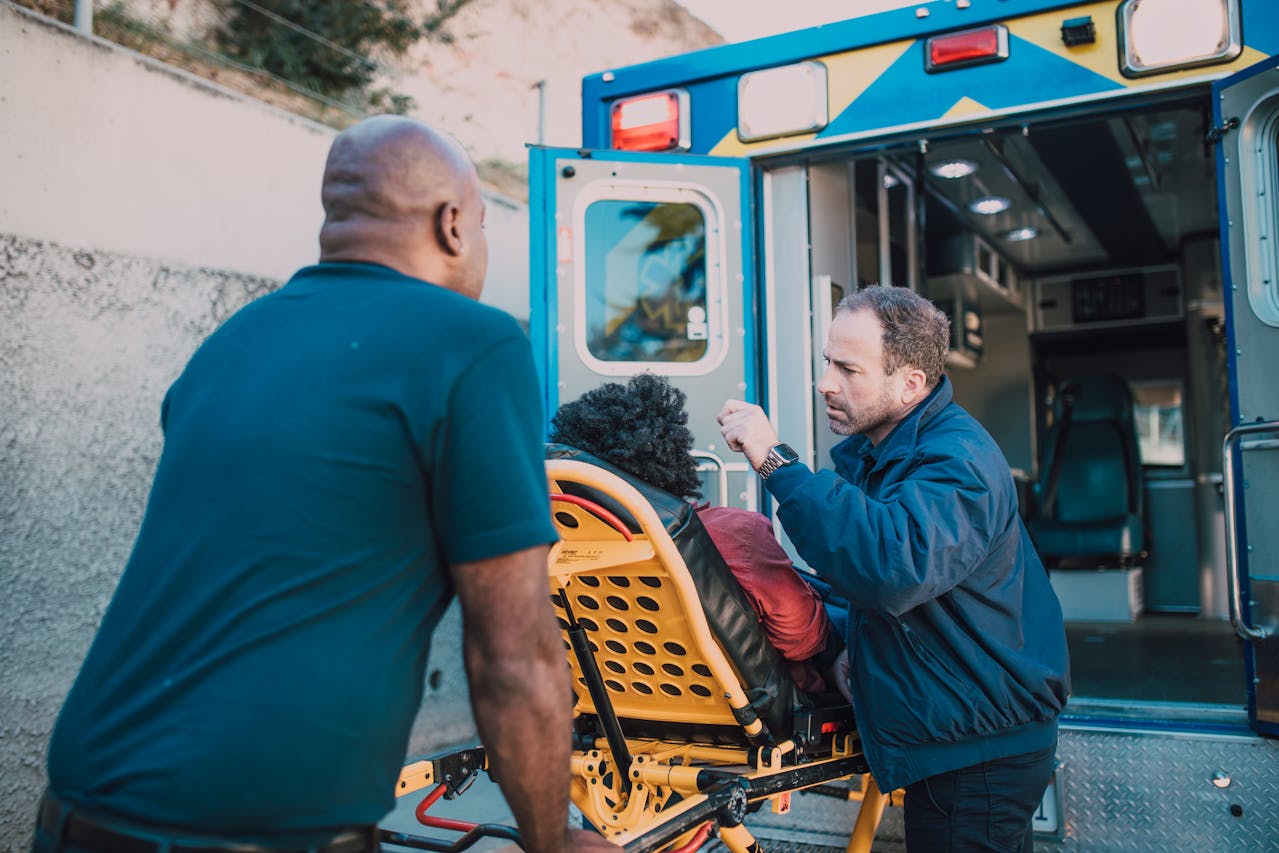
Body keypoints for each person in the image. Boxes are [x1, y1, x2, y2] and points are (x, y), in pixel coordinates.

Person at [36, 116, 614, 853]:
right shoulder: (473, 343)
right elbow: (513, 654)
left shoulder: (232, 340)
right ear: (452, 226)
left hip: (78, 806)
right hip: (254, 829)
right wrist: (552, 841)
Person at [717, 285, 1069, 853]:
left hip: (979, 749)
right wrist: (843, 651)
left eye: (847, 369)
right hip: (951, 729)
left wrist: (777, 462)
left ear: (909, 383)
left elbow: (889, 567)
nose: (825, 382)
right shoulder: (877, 455)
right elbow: (863, 589)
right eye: (828, 362)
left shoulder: (958, 461)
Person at [549, 373, 836, 695]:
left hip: (622, 711)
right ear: (673, 454)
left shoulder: (564, 550)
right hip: (747, 717)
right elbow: (803, 640)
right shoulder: (735, 534)